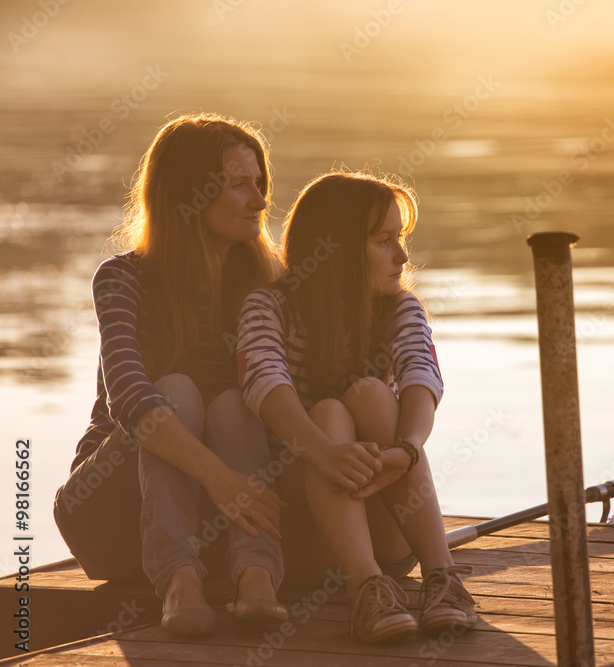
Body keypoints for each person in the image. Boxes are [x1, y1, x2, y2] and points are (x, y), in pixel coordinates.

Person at [53, 113, 288, 637]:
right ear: (190, 194)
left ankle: (255, 573)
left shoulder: (269, 288)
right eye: (238, 186)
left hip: (223, 519)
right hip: (111, 513)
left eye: (259, 184)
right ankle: (179, 581)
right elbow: (130, 399)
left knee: (233, 402)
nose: (259, 201)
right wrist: (220, 478)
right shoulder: (123, 279)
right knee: (175, 390)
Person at [237, 170, 477, 643]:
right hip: (306, 536)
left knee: (370, 392)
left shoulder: (399, 308)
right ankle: (364, 586)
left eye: (400, 238)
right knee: (327, 414)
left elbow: (421, 377)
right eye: (385, 241)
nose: (402, 256)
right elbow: (263, 382)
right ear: (340, 250)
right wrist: (326, 454)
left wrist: (405, 451)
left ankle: (441, 575)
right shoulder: (269, 307)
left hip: (389, 523)